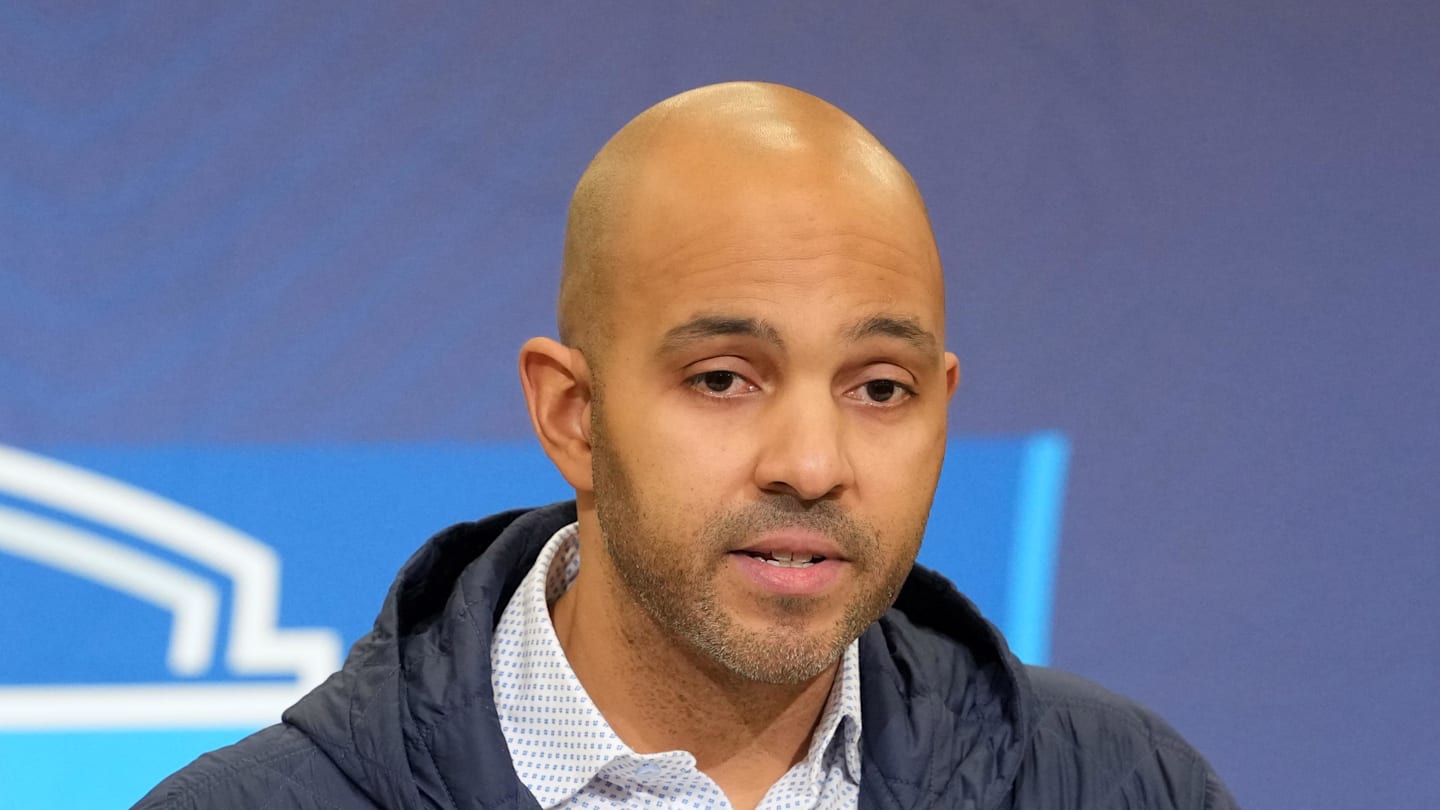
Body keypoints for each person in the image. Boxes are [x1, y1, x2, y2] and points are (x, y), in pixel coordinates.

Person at [135, 82, 1237, 809]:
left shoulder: (1117, 786)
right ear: (572, 414)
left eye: (879, 387)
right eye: (722, 379)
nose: (811, 462)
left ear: (944, 410)